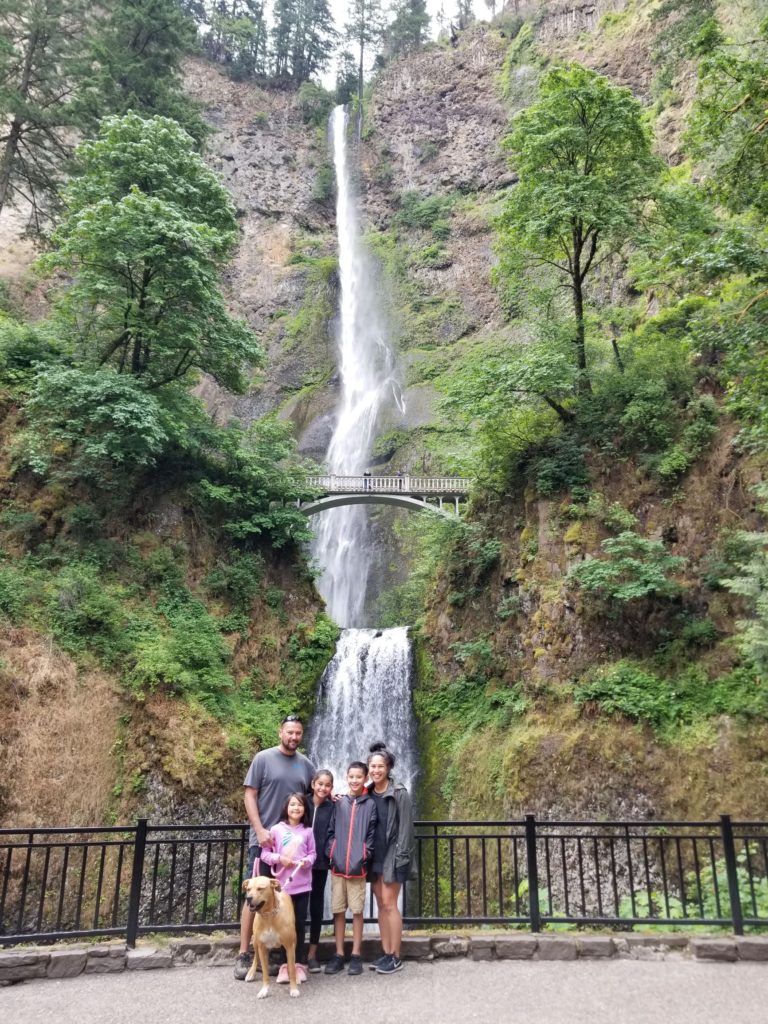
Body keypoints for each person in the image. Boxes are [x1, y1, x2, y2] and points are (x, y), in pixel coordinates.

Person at [234, 715, 315, 981]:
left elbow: (315, 796)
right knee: (254, 897)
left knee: (284, 899)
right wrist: (258, 830)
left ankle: (283, 958)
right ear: (280, 732)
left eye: (298, 733)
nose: (294, 737)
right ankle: (245, 954)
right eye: (290, 732)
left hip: (292, 852)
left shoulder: (306, 765)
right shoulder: (263, 758)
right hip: (265, 843)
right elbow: (249, 794)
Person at [323, 761, 377, 977]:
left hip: (358, 869)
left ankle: (355, 954)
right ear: (346, 777)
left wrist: (365, 855)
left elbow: (372, 835)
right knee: (338, 911)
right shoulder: (339, 803)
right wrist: (332, 853)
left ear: (366, 779)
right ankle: (338, 953)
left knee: (356, 912)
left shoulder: (370, 804)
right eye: (351, 776)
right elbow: (330, 832)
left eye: (359, 777)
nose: (354, 780)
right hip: (337, 868)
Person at [366, 740, 415, 975]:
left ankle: (396, 955)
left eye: (380, 767)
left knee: (389, 903)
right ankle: (386, 953)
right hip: (373, 855)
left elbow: (406, 829)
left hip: (393, 855)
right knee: (380, 904)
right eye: (372, 766)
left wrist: (402, 859)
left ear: (388, 768)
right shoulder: (366, 792)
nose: (376, 770)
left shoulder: (399, 793)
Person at [259, 792, 316, 984]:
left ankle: (299, 964)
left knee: (299, 924)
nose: (296, 808)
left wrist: (306, 862)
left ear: (305, 810)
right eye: (293, 804)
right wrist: (279, 859)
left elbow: (313, 854)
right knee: (282, 926)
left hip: (302, 886)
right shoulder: (276, 829)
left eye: (300, 805)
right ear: (286, 807)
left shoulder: (307, 831)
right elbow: (265, 854)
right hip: (282, 889)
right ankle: (284, 966)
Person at [306, 769, 335, 973]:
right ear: (312, 784)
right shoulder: (301, 802)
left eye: (327, 785)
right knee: (297, 908)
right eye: (320, 784)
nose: (323, 788)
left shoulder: (333, 807)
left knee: (316, 908)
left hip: (320, 865)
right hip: (298, 864)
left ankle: (312, 954)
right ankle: (295, 951)